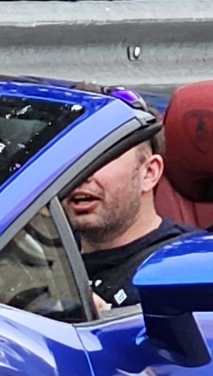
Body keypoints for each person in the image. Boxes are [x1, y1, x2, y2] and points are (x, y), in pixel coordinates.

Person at [64, 125, 182, 310]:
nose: (81, 174)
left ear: (149, 173)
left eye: (101, 157)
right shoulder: (40, 253)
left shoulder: (181, 269)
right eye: (72, 159)